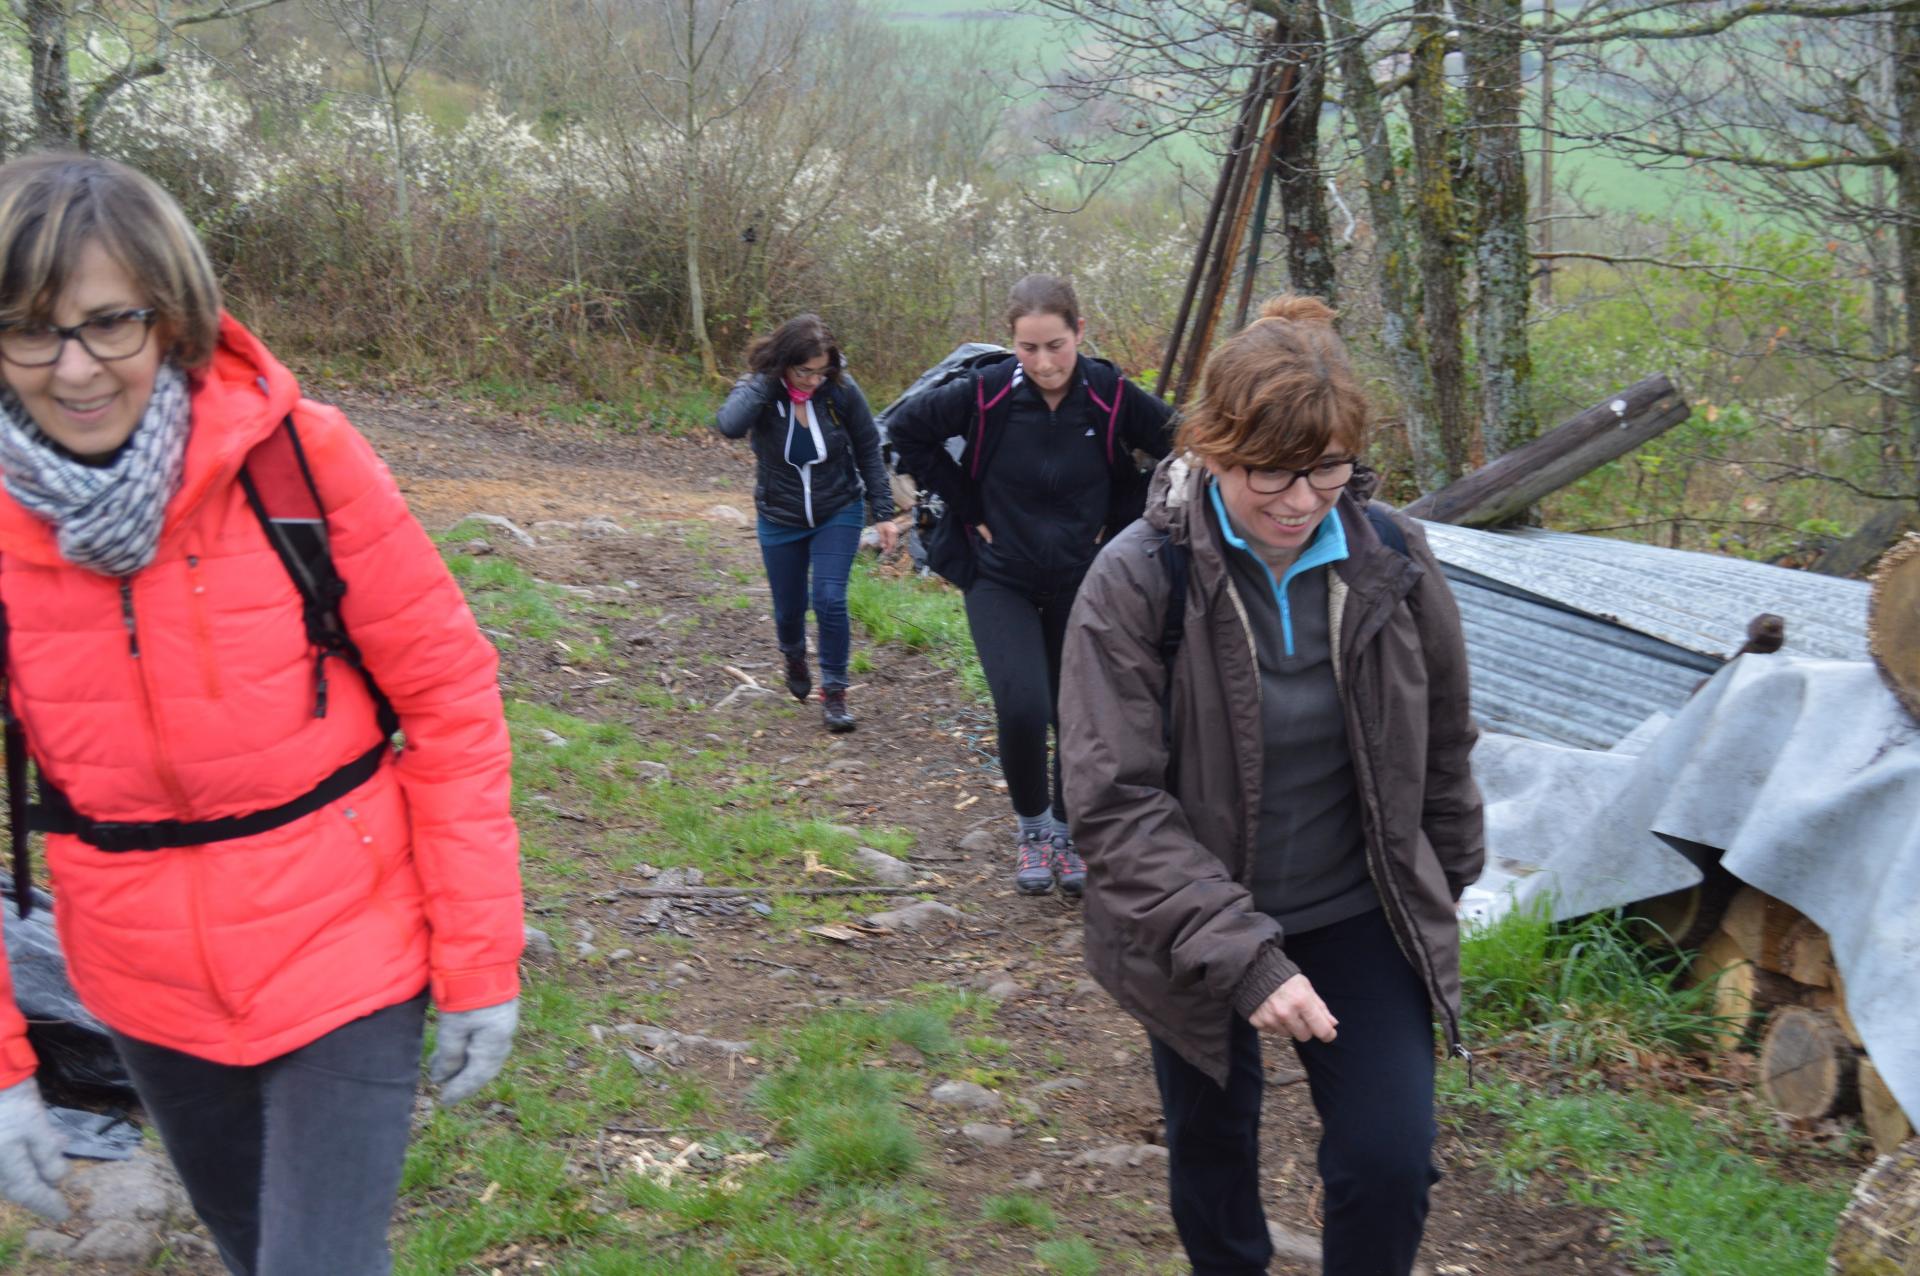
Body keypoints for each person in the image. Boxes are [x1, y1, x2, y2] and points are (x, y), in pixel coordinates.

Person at [0, 152, 523, 1275]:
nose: (76, 368)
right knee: (254, 1252)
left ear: (174, 318)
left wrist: (481, 960)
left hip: (346, 937)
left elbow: (449, 694)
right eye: (31, 330)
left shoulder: (296, 460)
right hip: (138, 974)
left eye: (110, 323)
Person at [1058, 296, 1483, 1275]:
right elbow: (1114, 806)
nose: (1301, 500)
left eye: (1326, 469)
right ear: (1212, 448)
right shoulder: (1138, 581)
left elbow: (1446, 744)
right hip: (1191, 921)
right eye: (1269, 473)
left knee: (1388, 1161)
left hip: (1355, 910)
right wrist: (1246, 958)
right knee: (1212, 1150)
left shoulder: (1395, 561)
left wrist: (1441, 885)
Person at [890, 274, 1172, 897]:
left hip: (1083, 581)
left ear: (1079, 333)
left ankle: (1070, 833)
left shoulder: (1111, 395)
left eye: (1055, 346)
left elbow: (1178, 448)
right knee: (1023, 707)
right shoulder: (986, 392)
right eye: (1028, 348)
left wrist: (1121, 524)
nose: (1043, 363)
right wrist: (965, 503)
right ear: (1012, 343)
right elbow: (906, 431)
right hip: (999, 577)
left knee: (1077, 714)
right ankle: (1034, 829)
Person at [714, 314, 897, 732]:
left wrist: (883, 513)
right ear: (784, 363)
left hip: (838, 508)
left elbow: (869, 447)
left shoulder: (841, 392)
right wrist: (767, 380)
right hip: (780, 515)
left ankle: (834, 693)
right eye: (804, 371)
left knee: (830, 598)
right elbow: (728, 426)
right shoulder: (761, 390)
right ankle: (794, 653)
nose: (814, 380)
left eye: (822, 370)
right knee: (789, 609)